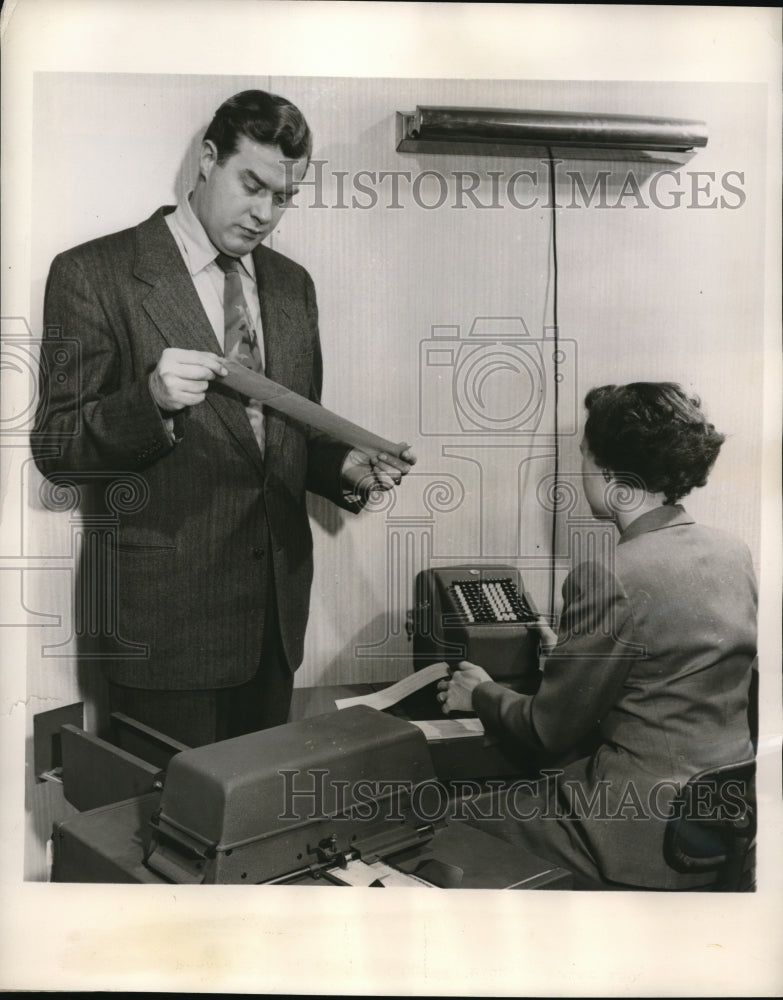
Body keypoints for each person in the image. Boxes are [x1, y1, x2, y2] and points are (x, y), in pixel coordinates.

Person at [31, 89, 415, 748]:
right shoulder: (95, 274)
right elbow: (58, 446)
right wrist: (148, 399)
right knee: (157, 840)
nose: (265, 213)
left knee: (252, 838)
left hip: (272, 624)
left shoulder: (292, 286)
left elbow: (284, 431)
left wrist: (345, 467)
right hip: (163, 632)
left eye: (283, 197)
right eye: (252, 185)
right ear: (208, 160)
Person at [437, 382, 757, 890]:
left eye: (584, 457)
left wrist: (478, 691)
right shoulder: (731, 552)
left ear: (611, 474)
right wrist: (570, 653)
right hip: (722, 820)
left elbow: (549, 731)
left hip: (640, 827)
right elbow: (668, 669)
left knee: (446, 823)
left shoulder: (608, 573)